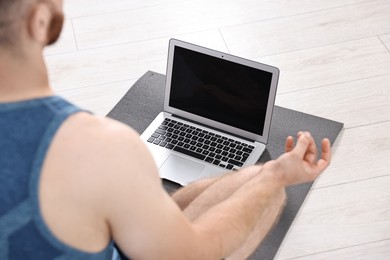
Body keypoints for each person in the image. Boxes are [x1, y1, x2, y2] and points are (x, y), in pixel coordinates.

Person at [0, 0, 332, 259]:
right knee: (270, 197)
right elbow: (194, 252)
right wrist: (276, 179)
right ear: (39, 20)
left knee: (161, 212)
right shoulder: (97, 148)